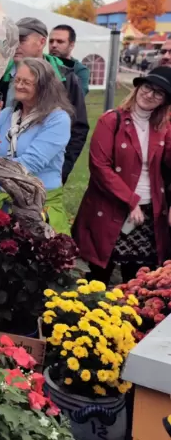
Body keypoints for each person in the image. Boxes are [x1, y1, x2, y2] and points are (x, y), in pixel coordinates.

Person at [0, 17, 88, 188]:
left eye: (21, 40)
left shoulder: (65, 81)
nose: (14, 46)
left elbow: (77, 129)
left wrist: (61, 170)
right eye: (18, 81)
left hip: (36, 189)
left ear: (41, 42)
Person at [73, 67, 171, 285]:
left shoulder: (163, 127)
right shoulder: (111, 120)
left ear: (164, 101)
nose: (150, 95)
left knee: (137, 281)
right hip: (111, 208)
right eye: (147, 87)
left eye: (159, 93)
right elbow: (100, 167)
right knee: (97, 276)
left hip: (148, 213)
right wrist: (131, 201)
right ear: (137, 88)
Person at [0, 58, 73, 235]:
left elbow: (30, 164)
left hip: (36, 208)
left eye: (26, 82)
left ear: (44, 87)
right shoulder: (5, 115)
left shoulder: (57, 119)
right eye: (17, 80)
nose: (18, 86)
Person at [48, 24, 90, 96]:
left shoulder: (79, 70)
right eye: (51, 41)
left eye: (60, 41)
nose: (54, 45)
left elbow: (77, 98)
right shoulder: (41, 63)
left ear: (71, 45)